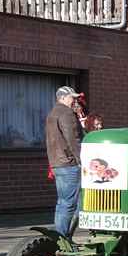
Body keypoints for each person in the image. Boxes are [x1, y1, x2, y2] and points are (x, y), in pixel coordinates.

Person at [46, 86, 83, 244]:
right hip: (69, 164)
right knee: (71, 204)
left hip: (57, 163)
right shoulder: (66, 113)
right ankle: (63, 239)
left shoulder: (52, 113)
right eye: (71, 97)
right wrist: (82, 159)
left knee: (63, 202)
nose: (73, 100)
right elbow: (73, 139)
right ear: (62, 98)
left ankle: (62, 238)